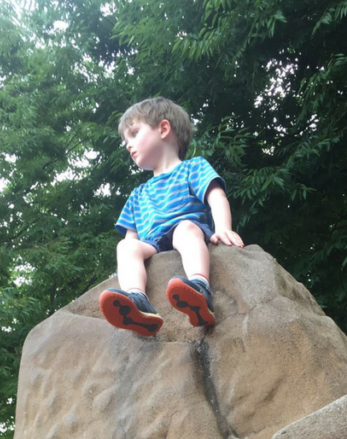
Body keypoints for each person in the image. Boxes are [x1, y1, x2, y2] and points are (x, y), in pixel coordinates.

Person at [99, 97, 244, 337]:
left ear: (164, 129)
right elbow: (131, 238)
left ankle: (199, 289)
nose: (128, 145)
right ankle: (138, 302)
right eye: (126, 139)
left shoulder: (193, 168)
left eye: (134, 133)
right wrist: (123, 269)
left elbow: (216, 196)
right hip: (153, 245)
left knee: (185, 229)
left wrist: (224, 228)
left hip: (188, 230)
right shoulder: (138, 194)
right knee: (125, 247)